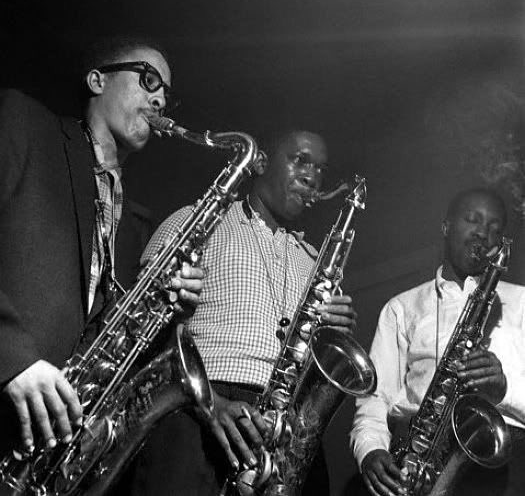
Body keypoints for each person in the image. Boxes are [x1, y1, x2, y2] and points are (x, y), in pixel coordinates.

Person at [0, 37, 203, 465]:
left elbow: (111, 340)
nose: (160, 98)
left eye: (166, 92)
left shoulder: (133, 223)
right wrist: (12, 357)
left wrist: (169, 312)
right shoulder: (21, 122)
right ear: (97, 80)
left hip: (44, 443)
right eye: (148, 79)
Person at [131, 130, 358, 495]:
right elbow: (141, 333)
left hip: (288, 433)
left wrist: (335, 334)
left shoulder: (317, 261)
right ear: (262, 162)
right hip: (199, 412)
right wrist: (209, 402)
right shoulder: (197, 221)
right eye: (300, 160)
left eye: (320, 168)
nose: (312, 177)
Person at [350, 187, 525, 496]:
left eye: (495, 228)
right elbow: (375, 398)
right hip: (419, 459)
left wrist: (504, 390)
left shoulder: (521, 301)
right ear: (446, 226)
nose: (483, 233)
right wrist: (370, 449)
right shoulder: (401, 307)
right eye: (473, 219)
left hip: (505, 468)